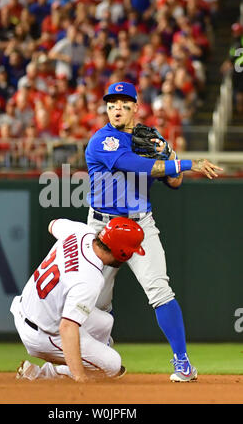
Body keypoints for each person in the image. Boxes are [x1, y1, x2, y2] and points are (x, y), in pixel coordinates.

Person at [85, 81, 223, 382]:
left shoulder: (151, 137)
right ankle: (97, 356)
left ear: (136, 106)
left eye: (123, 103)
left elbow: (174, 183)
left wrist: (168, 151)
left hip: (139, 224)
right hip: (103, 226)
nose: (116, 109)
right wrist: (187, 163)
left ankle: (183, 362)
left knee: (160, 290)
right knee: (94, 301)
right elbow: (133, 165)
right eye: (111, 104)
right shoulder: (102, 141)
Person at [10, 216, 145, 382]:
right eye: (131, 251)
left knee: (105, 322)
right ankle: (44, 374)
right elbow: (67, 327)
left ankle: (90, 363)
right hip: (43, 334)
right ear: (121, 252)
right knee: (113, 366)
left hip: (31, 308)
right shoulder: (90, 278)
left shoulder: (82, 232)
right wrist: (80, 376)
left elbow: (52, 224)